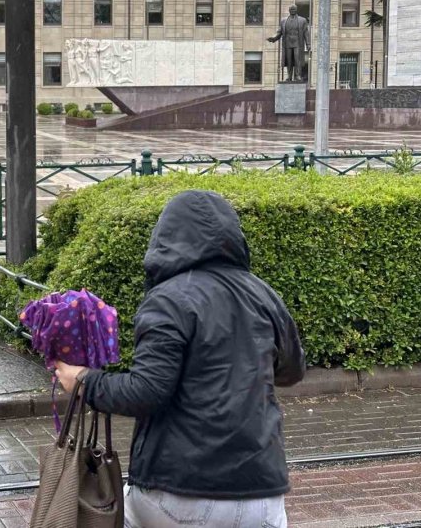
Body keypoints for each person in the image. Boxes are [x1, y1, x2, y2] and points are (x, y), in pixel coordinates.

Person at [55, 190, 305, 528]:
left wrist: (84, 381)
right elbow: (291, 371)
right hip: (261, 493)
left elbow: (146, 392)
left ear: (165, 239)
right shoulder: (263, 294)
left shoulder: (168, 300)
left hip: (180, 488)